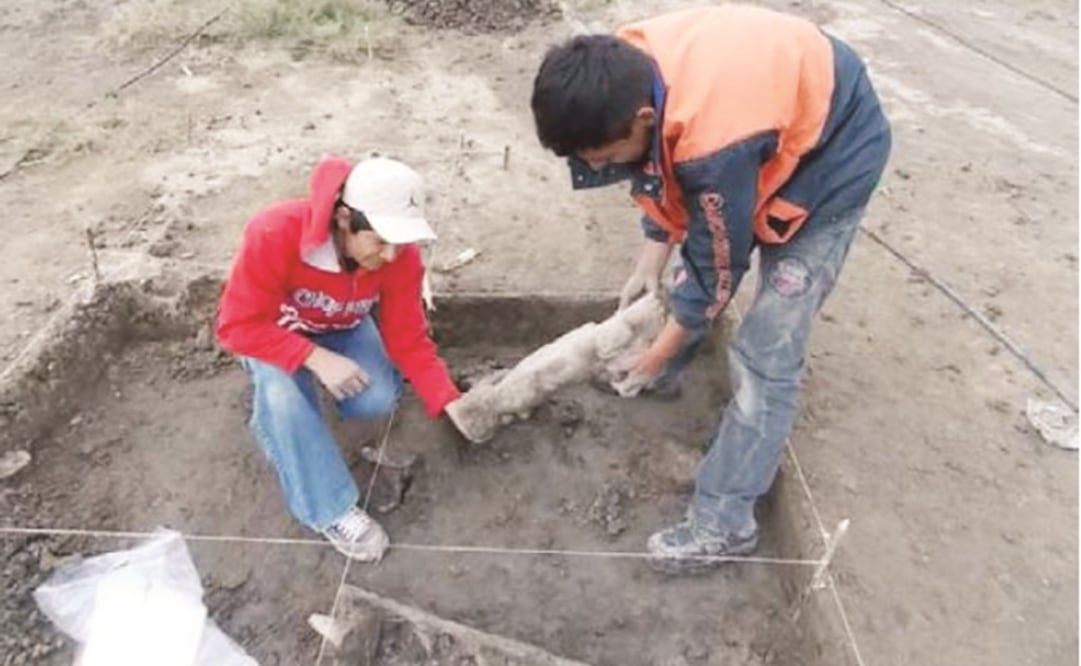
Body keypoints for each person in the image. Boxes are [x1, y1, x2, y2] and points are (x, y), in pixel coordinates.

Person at [530, 4, 891, 573]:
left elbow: (719, 265)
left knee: (767, 349)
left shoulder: (715, 141)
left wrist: (659, 346)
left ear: (644, 116)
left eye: (601, 157)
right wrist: (652, 251)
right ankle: (665, 374)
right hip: (760, 124)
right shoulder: (619, 69)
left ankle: (724, 523)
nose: (596, 166)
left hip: (832, 155)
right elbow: (664, 171)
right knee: (681, 281)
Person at [216, 155, 469, 562]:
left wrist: (449, 400)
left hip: (343, 326)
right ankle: (329, 507)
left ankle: (305, 413)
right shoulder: (274, 232)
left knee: (377, 398)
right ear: (344, 218)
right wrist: (314, 357)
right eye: (380, 240)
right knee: (283, 401)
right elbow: (235, 327)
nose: (389, 256)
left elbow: (409, 339)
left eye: (399, 243)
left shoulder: (399, 257)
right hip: (272, 330)